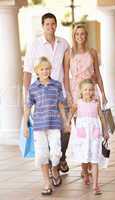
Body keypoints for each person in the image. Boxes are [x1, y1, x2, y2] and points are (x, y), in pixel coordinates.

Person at [23, 13, 72, 173]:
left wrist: (70, 93)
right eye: (47, 24)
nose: (50, 27)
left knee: (66, 128)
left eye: (53, 24)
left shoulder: (63, 43)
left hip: (61, 93)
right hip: (42, 95)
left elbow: (67, 70)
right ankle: (52, 164)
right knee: (46, 130)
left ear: (56, 25)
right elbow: (28, 71)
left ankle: (61, 157)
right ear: (42, 26)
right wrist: (26, 94)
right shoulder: (35, 44)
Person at [64, 23, 107, 181]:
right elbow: (65, 77)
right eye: (77, 34)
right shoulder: (69, 54)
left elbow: (98, 73)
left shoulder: (93, 52)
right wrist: (68, 94)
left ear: (86, 36)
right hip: (77, 94)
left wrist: (103, 92)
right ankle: (84, 168)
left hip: (91, 92)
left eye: (82, 34)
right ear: (74, 36)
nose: (80, 37)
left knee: (93, 130)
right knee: (81, 133)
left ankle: (90, 165)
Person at [23, 57, 69, 195]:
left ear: (51, 70)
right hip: (39, 126)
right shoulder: (33, 88)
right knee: (42, 154)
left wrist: (66, 122)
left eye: (47, 68)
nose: (44, 71)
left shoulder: (56, 85)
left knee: (56, 153)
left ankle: (54, 169)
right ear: (37, 71)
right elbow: (27, 107)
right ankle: (47, 183)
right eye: (42, 69)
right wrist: (25, 125)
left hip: (54, 124)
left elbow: (61, 104)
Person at [68, 79, 109, 195]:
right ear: (81, 91)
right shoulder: (78, 103)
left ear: (94, 91)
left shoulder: (96, 102)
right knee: (83, 156)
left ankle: (96, 185)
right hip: (82, 134)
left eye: (91, 89)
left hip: (95, 133)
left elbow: (101, 117)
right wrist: (68, 122)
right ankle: (85, 173)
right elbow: (71, 112)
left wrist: (105, 131)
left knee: (94, 157)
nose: (88, 92)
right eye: (85, 89)